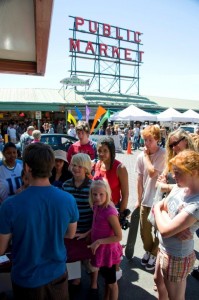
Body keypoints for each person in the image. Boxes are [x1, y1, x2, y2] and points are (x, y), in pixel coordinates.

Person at [0, 143, 79, 300]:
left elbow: (1, 249)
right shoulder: (68, 200)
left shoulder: (9, 205)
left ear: (27, 168)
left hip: (26, 280)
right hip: (58, 276)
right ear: (51, 167)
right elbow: (70, 234)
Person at [154, 149, 199, 300]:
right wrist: (173, 226)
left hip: (177, 256)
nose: (173, 176)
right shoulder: (181, 187)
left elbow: (165, 230)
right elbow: (162, 205)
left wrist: (158, 209)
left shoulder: (196, 203)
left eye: (178, 172)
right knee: (158, 282)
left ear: (193, 172)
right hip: (164, 248)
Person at [62, 153, 95, 293]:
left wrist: (89, 232)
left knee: (91, 263)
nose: (76, 168)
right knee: (73, 259)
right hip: (72, 231)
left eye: (80, 166)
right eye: (74, 165)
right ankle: (76, 280)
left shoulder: (93, 187)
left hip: (88, 231)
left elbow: (98, 215)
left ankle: (94, 284)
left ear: (86, 168)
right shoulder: (66, 185)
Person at [135, 125, 165, 271]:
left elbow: (152, 173)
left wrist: (146, 156)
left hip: (160, 200)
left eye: (150, 140)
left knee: (159, 231)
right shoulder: (140, 156)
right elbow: (139, 179)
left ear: (157, 140)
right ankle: (149, 249)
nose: (146, 143)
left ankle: (154, 253)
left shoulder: (162, 154)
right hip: (146, 200)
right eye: (145, 140)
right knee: (144, 231)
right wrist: (138, 199)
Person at [88, 179, 123, 300]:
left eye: (101, 194)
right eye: (95, 194)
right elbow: (96, 225)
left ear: (107, 194)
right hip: (100, 251)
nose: (97, 197)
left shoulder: (110, 212)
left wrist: (98, 242)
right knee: (107, 280)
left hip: (108, 253)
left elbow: (119, 236)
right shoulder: (96, 206)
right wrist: (87, 233)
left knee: (112, 284)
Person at [93, 136, 129, 213]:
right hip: (97, 208)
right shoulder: (97, 165)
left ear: (111, 151)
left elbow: (125, 194)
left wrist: (121, 215)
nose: (101, 153)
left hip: (113, 209)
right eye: (99, 150)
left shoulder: (120, 168)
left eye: (105, 151)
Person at [156, 128, 196, 194]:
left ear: (185, 140)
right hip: (169, 201)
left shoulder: (195, 162)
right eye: (171, 146)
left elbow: (191, 188)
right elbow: (157, 184)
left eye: (175, 143)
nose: (173, 148)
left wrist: (166, 187)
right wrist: (163, 184)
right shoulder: (172, 161)